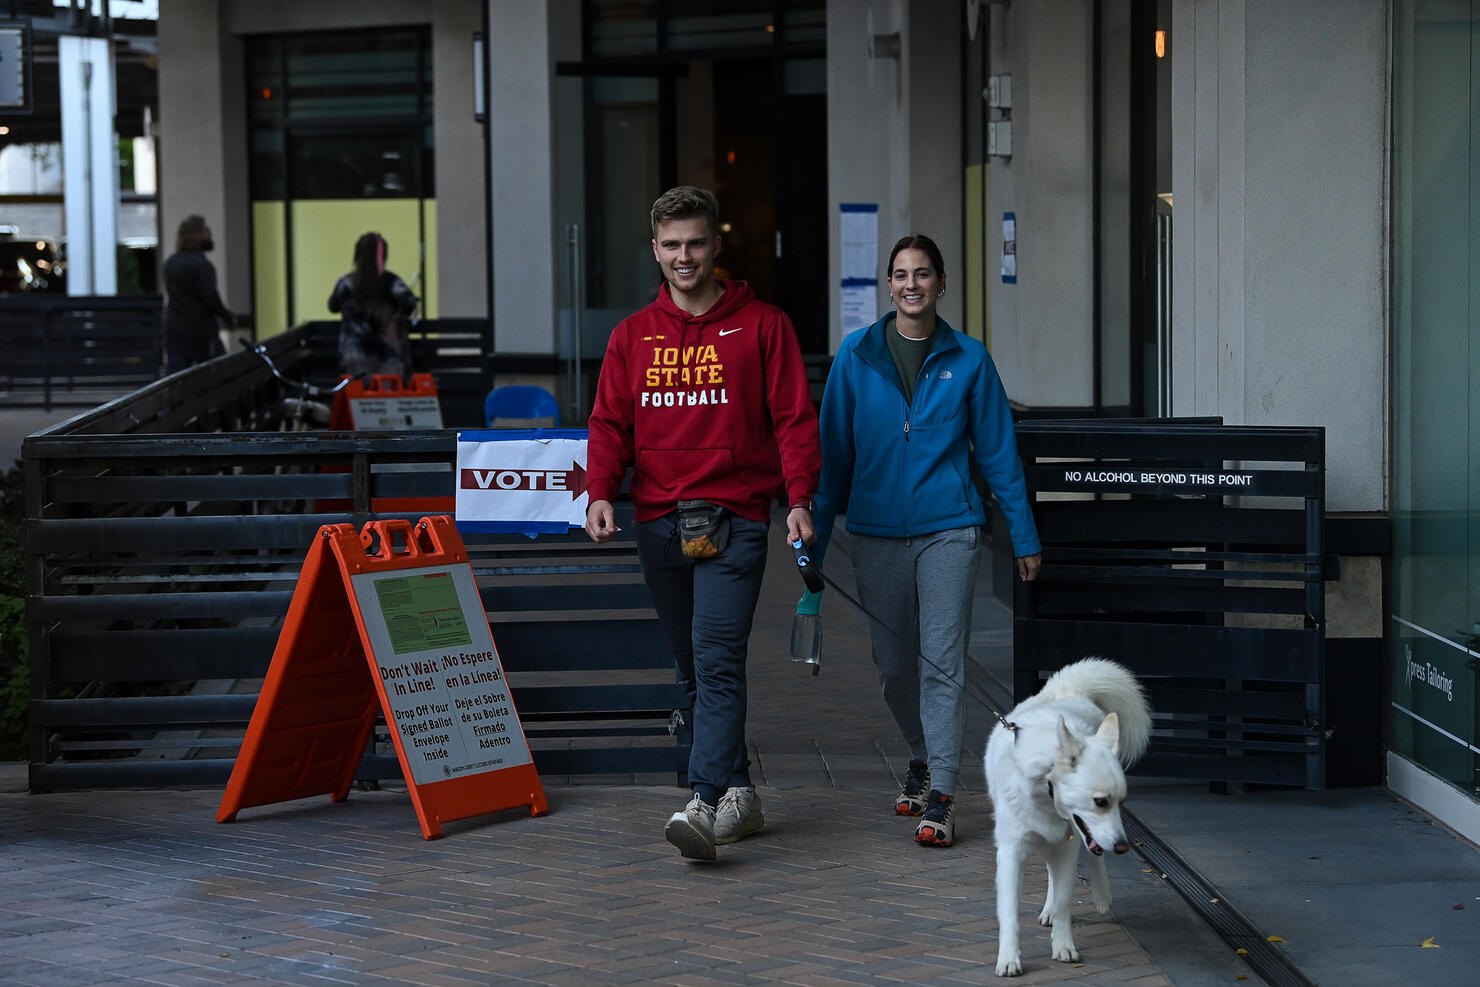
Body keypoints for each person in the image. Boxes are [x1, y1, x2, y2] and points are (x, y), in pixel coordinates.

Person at [584, 186, 821, 861]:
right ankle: (740, 793)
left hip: (737, 516)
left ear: (716, 244)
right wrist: (601, 490)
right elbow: (608, 421)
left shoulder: (764, 326)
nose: (684, 257)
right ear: (655, 249)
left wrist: (799, 498)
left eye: (695, 243)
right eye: (671, 246)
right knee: (692, 667)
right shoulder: (631, 337)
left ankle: (703, 798)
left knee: (716, 661)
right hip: (657, 517)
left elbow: (794, 422)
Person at [811, 233, 1042, 848]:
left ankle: (941, 794)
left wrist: (1022, 535)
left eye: (923, 273)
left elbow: (998, 454)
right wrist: (815, 534)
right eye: (900, 274)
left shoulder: (969, 359)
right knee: (893, 669)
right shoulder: (855, 356)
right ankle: (921, 752)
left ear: (941, 283)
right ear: (888, 285)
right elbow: (832, 458)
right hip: (875, 533)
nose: (911, 284)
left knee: (942, 662)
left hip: (951, 530)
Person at [328, 232, 418, 378]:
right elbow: (410, 303)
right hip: (389, 359)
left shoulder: (346, 283)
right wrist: (396, 320)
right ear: (383, 257)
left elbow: (332, 306)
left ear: (357, 256)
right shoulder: (391, 282)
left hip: (354, 359)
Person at [162, 215, 234, 374]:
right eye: (206, 230)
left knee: (177, 380)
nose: (210, 235)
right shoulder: (202, 265)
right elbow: (211, 298)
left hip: (176, 332)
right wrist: (228, 317)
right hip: (201, 333)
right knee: (220, 374)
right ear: (198, 234)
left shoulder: (171, 263)